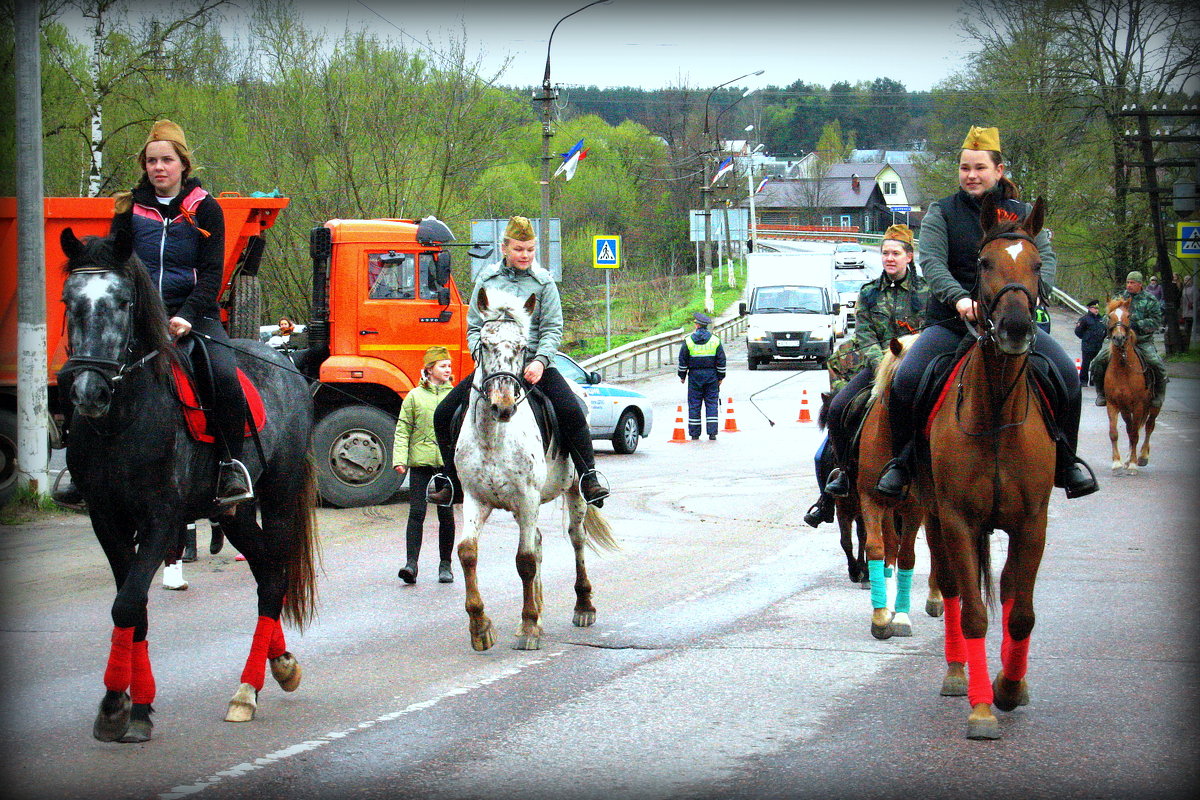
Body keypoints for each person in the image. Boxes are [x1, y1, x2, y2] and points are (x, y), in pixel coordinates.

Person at [875, 125, 1096, 500]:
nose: (971, 175)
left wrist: (1033, 295)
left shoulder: (1024, 214)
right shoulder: (941, 212)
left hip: (1012, 322)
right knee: (907, 378)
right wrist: (961, 300)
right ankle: (903, 461)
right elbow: (931, 261)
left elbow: (1046, 261)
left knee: (1066, 377)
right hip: (952, 323)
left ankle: (1066, 461)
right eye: (965, 168)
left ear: (998, 170)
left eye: (979, 167)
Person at [109, 119, 252, 511]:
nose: (158, 167)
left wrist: (187, 315)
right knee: (91, 370)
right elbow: (115, 264)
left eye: (166, 160)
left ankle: (230, 467)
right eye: (151, 161)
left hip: (194, 314)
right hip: (139, 315)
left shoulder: (207, 209)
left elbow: (211, 274)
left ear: (183, 165)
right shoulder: (128, 208)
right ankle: (84, 468)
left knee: (223, 374)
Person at [426, 216, 609, 507]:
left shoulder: (544, 283)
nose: (525, 255)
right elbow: (473, 326)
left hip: (533, 366)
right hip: (494, 367)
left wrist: (539, 361)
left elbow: (552, 328)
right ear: (504, 248)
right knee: (444, 412)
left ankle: (589, 477)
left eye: (530, 250)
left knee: (572, 409)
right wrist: (482, 357)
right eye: (519, 249)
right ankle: (451, 480)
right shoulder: (487, 280)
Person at [804, 223, 928, 528]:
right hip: (877, 368)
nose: (889, 258)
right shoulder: (869, 292)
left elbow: (932, 332)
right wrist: (883, 363)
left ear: (909, 257)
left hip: (917, 368)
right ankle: (844, 475)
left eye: (896, 253)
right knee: (837, 408)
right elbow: (864, 334)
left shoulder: (928, 292)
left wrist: (908, 364)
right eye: (885, 253)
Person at [393, 346, 456, 584]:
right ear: (429, 369)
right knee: (416, 513)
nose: (448, 369)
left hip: (446, 467)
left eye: (449, 366)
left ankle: (445, 566)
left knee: (446, 515)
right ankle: (411, 565)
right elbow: (402, 429)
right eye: (443, 365)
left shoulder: (456, 396)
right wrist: (399, 459)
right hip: (420, 464)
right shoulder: (414, 397)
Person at [1089, 271, 1167, 408]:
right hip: (1117, 338)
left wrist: (1139, 324)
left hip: (1141, 340)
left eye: (1133, 283)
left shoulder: (1150, 300)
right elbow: (1105, 317)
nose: (1129, 285)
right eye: (1128, 282)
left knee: (1156, 363)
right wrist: (1114, 322)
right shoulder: (1119, 298)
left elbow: (1156, 321)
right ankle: (1101, 392)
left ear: (1140, 284)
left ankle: (1158, 395)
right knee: (1097, 361)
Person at [677, 311, 727, 440]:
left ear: (697, 325)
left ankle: (694, 434)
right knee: (711, 404)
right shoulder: (715, 340)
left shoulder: (688, 341)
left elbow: (683, 360)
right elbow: (721, 361)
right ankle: (712, 433)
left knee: (694, 404)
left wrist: (682, 376)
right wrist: (720, 377)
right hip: (711, 376)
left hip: (694, 376)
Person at [1074, 300, 1106, 386]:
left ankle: (1093, 381)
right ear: (1089, 308)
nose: (1096, 310)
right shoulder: (1085, 319)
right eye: (1094, 308)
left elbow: (1104, 331)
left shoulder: (1101, 319)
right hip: (1088, 345)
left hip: (1098, 345)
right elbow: (1078, 331)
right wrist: (1086, 338)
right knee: (1086, 363)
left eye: (1097, 308)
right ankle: (1083, 380)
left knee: (1096, 364)